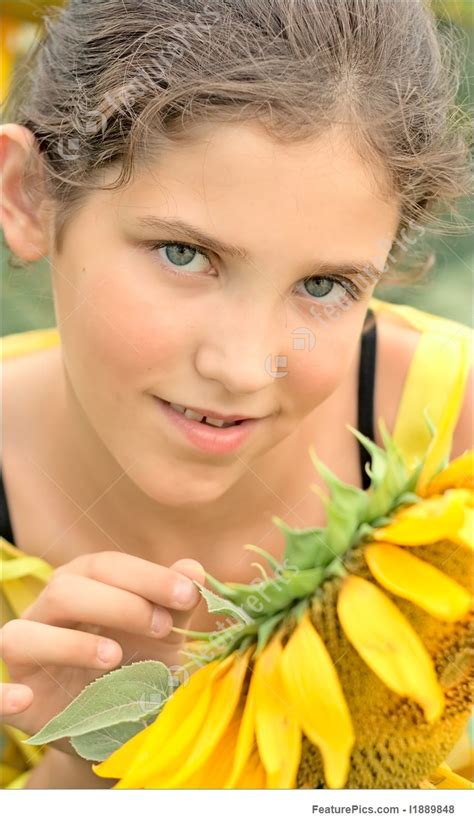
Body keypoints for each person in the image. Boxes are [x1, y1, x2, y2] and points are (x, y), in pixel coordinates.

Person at [0, 0, 472, 789]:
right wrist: (97, 762)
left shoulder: (456, 444)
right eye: (184, 254)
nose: (247, 367)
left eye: (323, 284)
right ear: (29, 197)